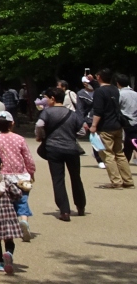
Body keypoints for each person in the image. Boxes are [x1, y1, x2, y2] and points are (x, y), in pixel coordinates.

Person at [36, 87, 87, 220]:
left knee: (58, 179)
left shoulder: (46, 113)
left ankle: (64, 211)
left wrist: (41, 136)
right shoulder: (73, 114)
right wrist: (71, 135)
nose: (45, 100)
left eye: (46, 97)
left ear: (52, 98)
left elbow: (39, 125)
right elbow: (82, 132)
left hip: (53, 148)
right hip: (71, 148)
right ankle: (80, 206)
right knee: (76, 178)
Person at [0, 111, 34, 241]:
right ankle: (24, 220)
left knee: (8, 202)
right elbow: (28, 158)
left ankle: (11, 227)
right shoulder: (19, 138)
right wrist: (31, 172)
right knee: (22, 200)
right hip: (21, 176)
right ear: (12, 123)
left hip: (4, 177)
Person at [91, 69, 134, 188]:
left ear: (99, 77)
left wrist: (94, 125)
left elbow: (98, 111)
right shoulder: (115, 89)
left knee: (108, 154)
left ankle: (116, 181)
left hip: (106, 127)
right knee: (119, 153)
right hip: (117, 125)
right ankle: (128, 180)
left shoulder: (99, 92)